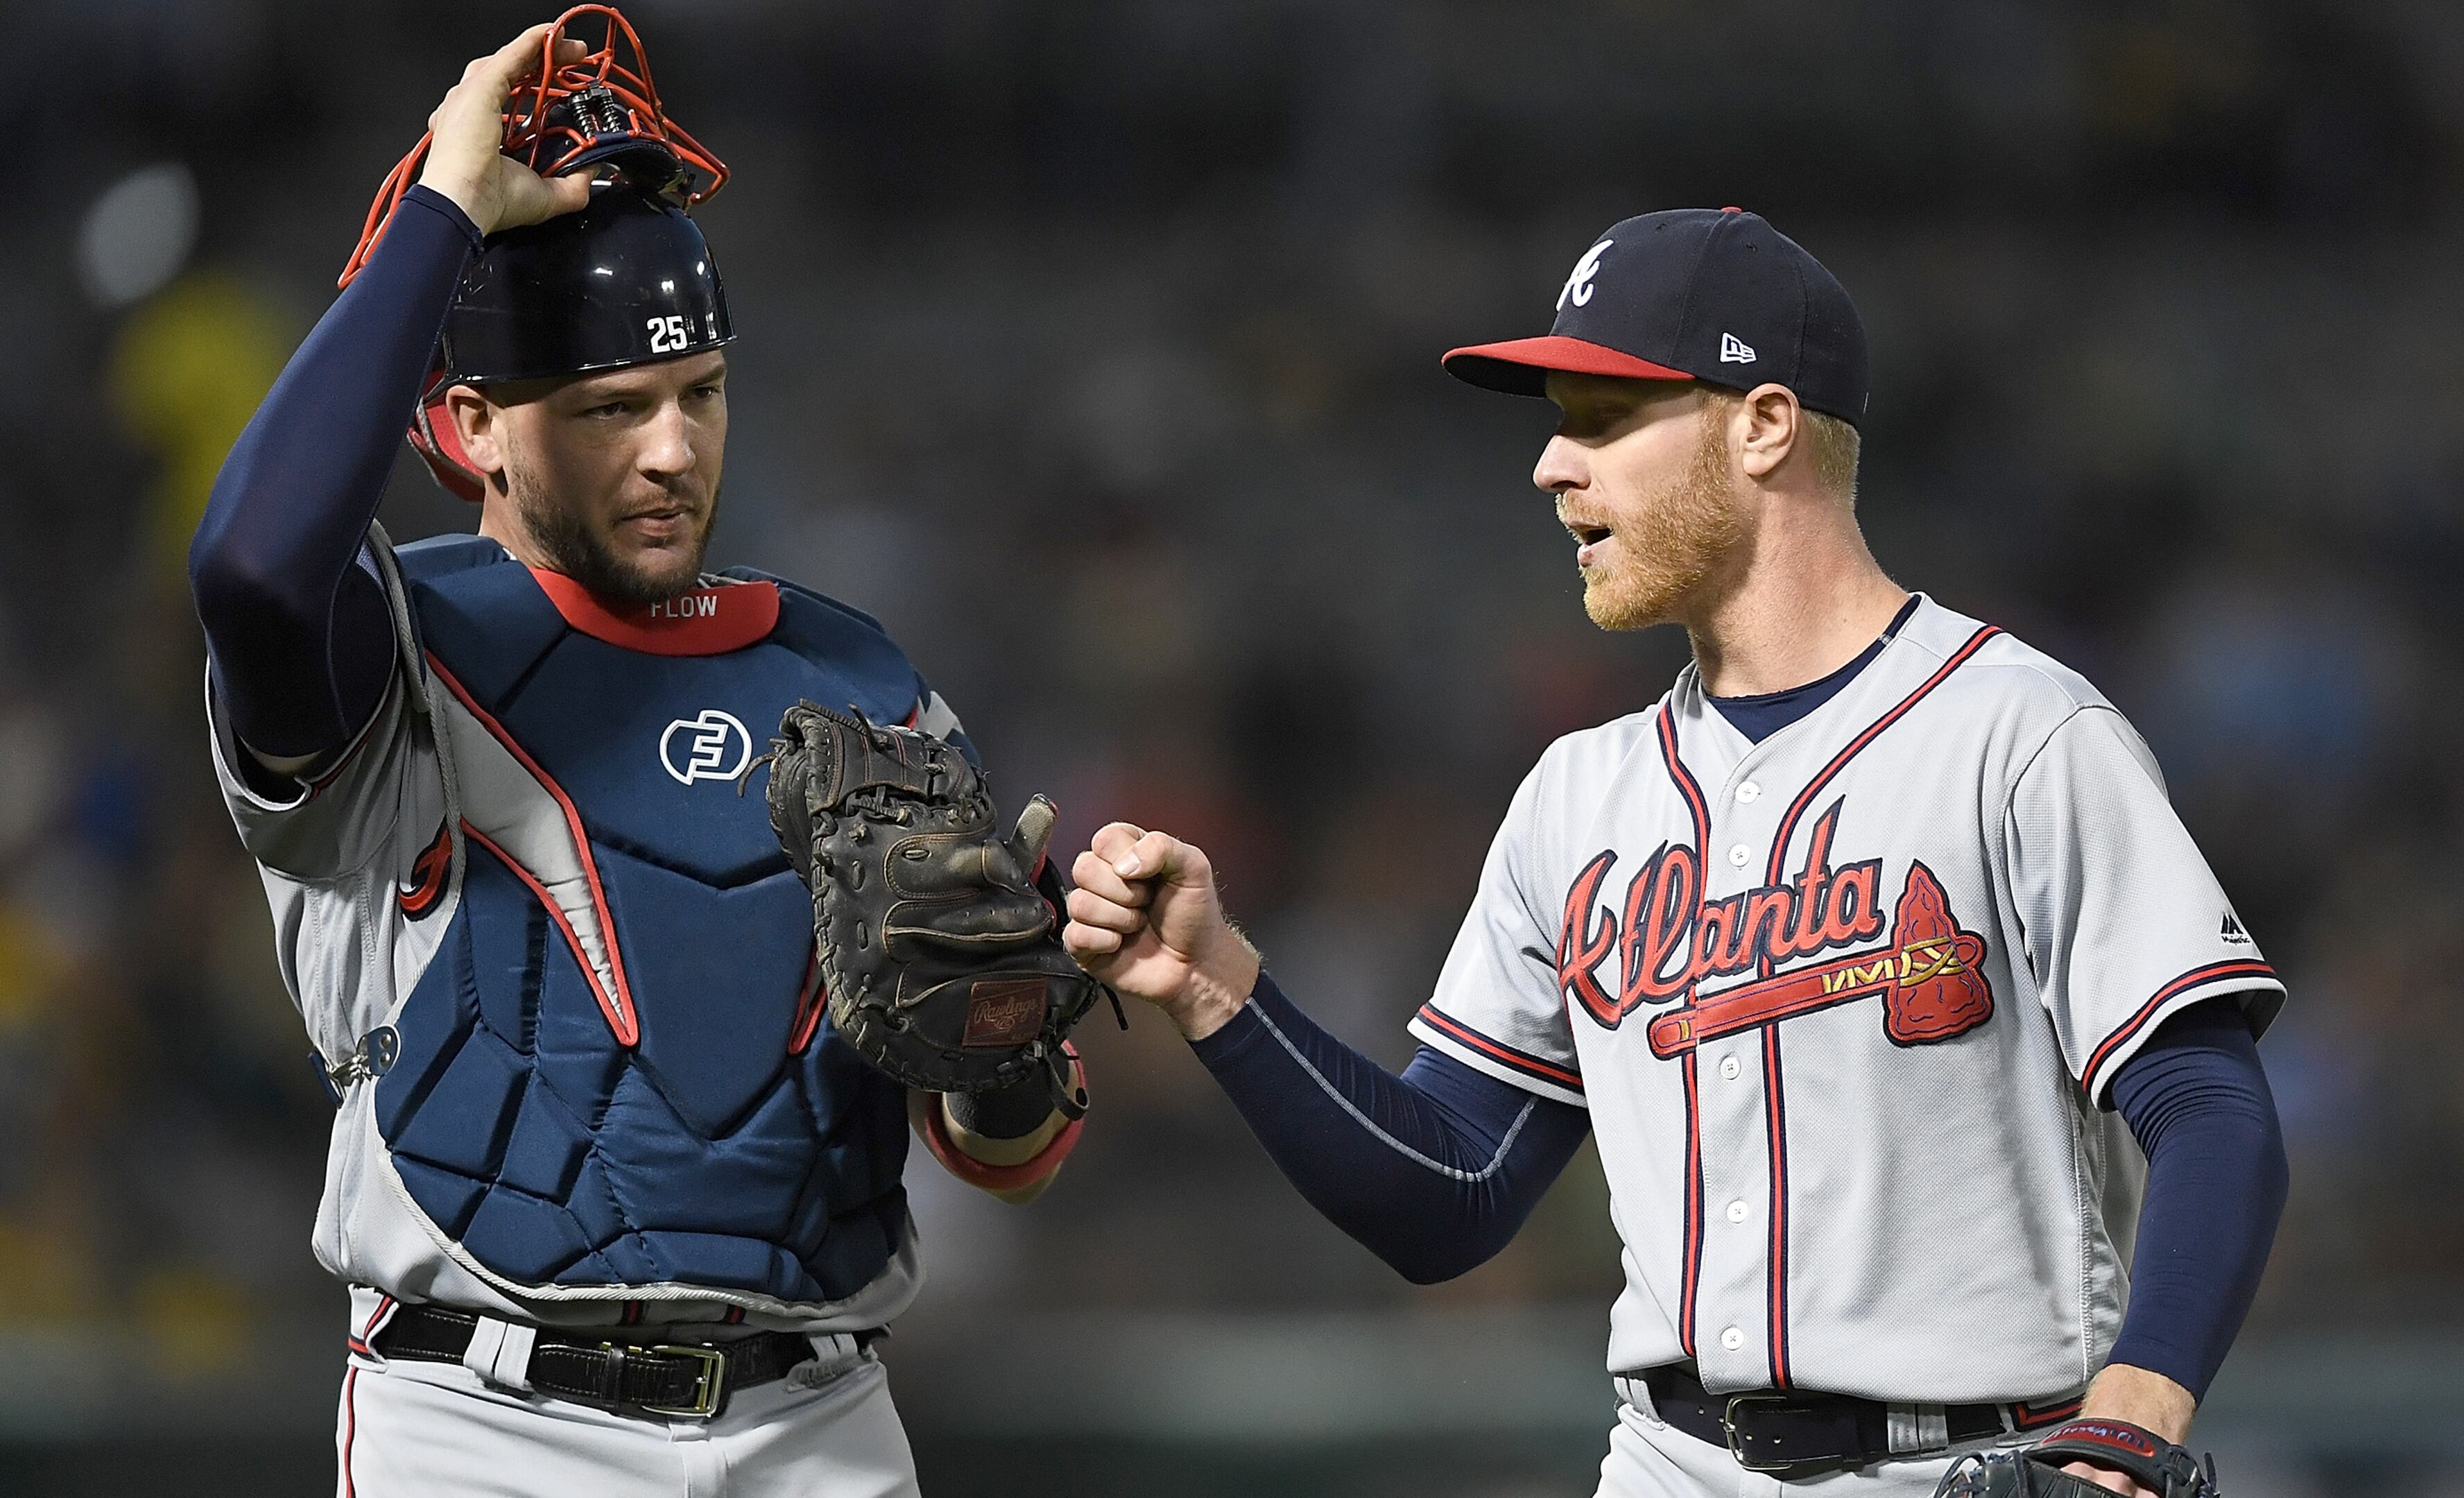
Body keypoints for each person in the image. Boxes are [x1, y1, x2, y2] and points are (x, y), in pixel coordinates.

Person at [1060, 208, 2289, 1497]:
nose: (1549, 466)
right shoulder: (1577, 796)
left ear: (1762, 424)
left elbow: (2206, 1105)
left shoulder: (2018, 734)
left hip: (1976, 1466)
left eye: (1600, 420)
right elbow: (1450, 1194)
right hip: (1666, 1466)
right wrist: (1213, 990)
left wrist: (2131, 1424)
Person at [187, 25, 1080, 1495]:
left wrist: (1007, 1046)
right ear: (470, 424)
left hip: (819, 1420)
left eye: (701, 394)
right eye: (612, 409)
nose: (672, 450)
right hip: (480, 1423)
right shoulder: (388, 659)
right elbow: (254, 567)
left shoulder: (855, 677)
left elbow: (1006, 1151)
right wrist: (444, 216)